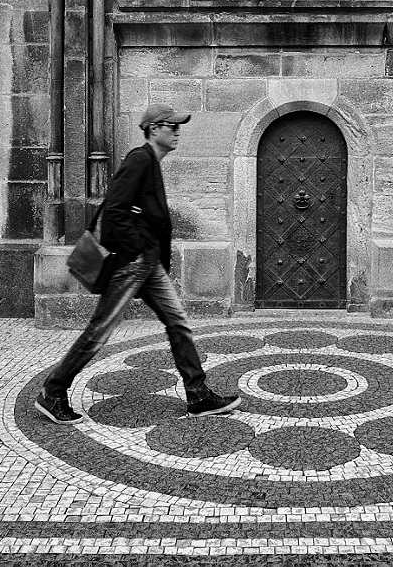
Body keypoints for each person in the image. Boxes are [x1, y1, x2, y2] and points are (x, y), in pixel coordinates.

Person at [36, 106, 241, 424]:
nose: (177, 131)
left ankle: (198, 395)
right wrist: (138, 252)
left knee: (178, 323)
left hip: (147, 265)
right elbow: (116, 210)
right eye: (172, 126)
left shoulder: (151, 163)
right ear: (154, 128)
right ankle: (53, 390)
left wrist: (152, 257)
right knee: (99, 331)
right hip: (134, 264)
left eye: (178, 127)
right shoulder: (139, 159)